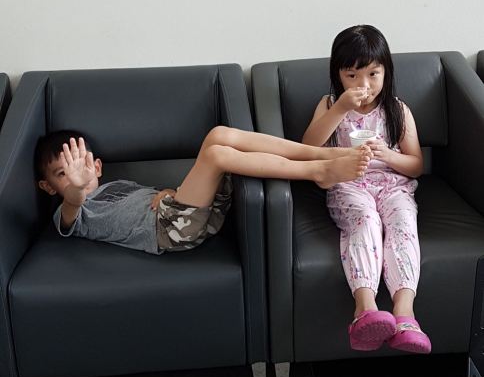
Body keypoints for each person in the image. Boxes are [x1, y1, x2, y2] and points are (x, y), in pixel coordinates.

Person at [35, 126, 371, 255]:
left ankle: (319, 154)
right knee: (215, 156)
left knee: (219, 135)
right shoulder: (72, 212)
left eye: (80, 164)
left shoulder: (116, 185)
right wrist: (75, 188)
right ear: (48, 187)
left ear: (96, 166)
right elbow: (74, 203)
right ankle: (318, 172)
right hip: (170, 233)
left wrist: (167, 190)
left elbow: (150, 198)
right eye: (63, 173)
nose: (76, 175)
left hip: (180, 212)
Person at [303, 24, 431, 354]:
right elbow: (308, 147)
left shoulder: (397, 109)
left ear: (386, 71)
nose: (364, 85)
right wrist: (340, 108)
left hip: (393, 185)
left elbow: (416, 164)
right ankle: (365, 308)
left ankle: (405, 315)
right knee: (366, 220)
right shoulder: (330, 105)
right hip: (348, 184)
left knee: (402, 222)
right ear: (338, 75)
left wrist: (388, 155)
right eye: (352, 76)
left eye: (373, 74)